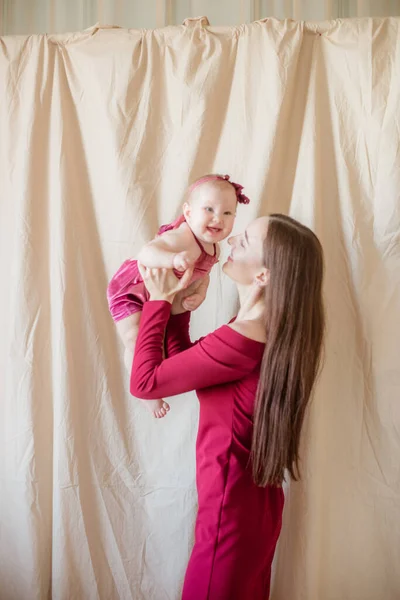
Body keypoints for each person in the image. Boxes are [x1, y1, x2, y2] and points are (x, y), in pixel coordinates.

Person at [130, 214, 325, 599]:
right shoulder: (262, 329)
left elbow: (146, 383)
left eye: (246, 240)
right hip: (255, 508)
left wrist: (157, 303)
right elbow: (189, 367)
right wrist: (179, 309)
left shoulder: (243, 337)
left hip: (229, 517)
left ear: (264, 276)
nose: (232, 237)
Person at [107, 174, 250, 417]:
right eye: (209, 209)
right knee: (135, 339)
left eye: (228, 213)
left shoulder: (213, 246)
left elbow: (203, 273)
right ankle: (143, 392)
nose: (218, 218)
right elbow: (146, 254)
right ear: (188, 211)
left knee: (159, 352)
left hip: (160, 294)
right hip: (130, 289)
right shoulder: (184, 237)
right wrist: (172, 259)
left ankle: (148, 381)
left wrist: (201, 292)